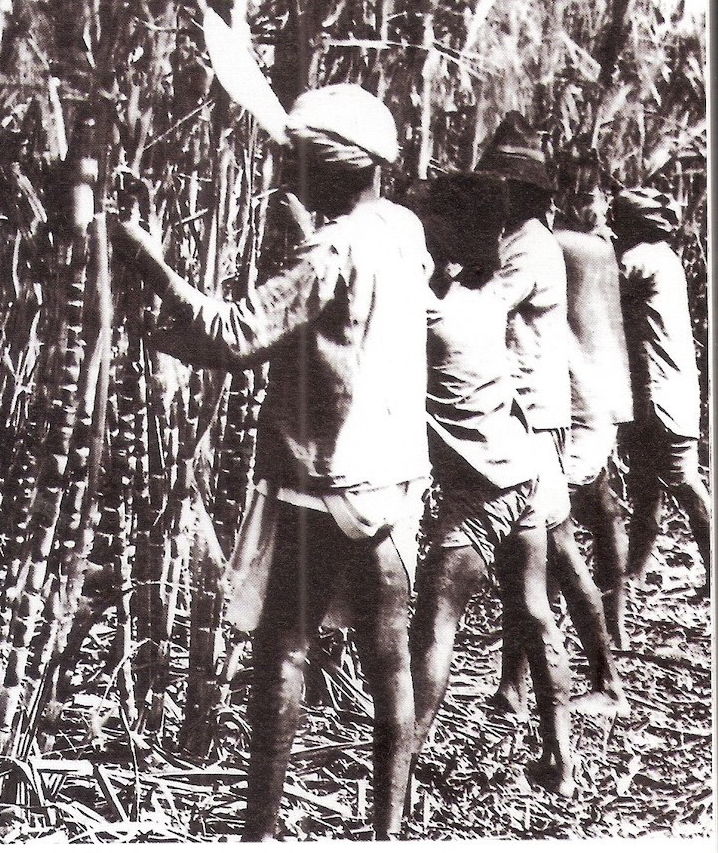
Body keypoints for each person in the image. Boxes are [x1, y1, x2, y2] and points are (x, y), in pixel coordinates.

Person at [110, 84, 431, 840]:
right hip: (394, 479)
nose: (289, 177)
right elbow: (337, 326)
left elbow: (234, 336)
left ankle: (258, 834)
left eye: (300, 165)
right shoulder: (402, 229)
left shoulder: (330, 250)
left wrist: (150, 265)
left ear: (336, 170)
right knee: (390, 664)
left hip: (325, 485)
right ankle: (389, 832)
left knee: (283, 651)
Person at [408, 172, 575, 797]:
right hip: (524, 473)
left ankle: (402, 763)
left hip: (481, 490)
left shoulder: (432, 311)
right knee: (533, 613)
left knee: (435, 624)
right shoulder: (483, 295)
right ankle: (561, 759)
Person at [476, 115, 623, 719]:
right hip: (529, 413)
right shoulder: (519, 239)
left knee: (554, 550)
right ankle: (514, 686)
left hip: (535, 418)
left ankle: (606, 680)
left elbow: (484, 308)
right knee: (529, 556)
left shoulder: (530, 245)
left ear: (520, 191)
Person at [611, 187, 711, 592]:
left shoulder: (638, 260)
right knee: (647, 486)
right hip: (665, 388)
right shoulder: (664, 257)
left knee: (682, 481)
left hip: (660, 391)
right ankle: (635, 570)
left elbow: (598, 284)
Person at [555, 202, 636, 670]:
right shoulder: (600, 249)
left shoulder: (558, 245)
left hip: (575, 395)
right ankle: (615, 620)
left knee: (554, 523)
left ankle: (562, 640)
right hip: (605, 390)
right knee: (603, 512)